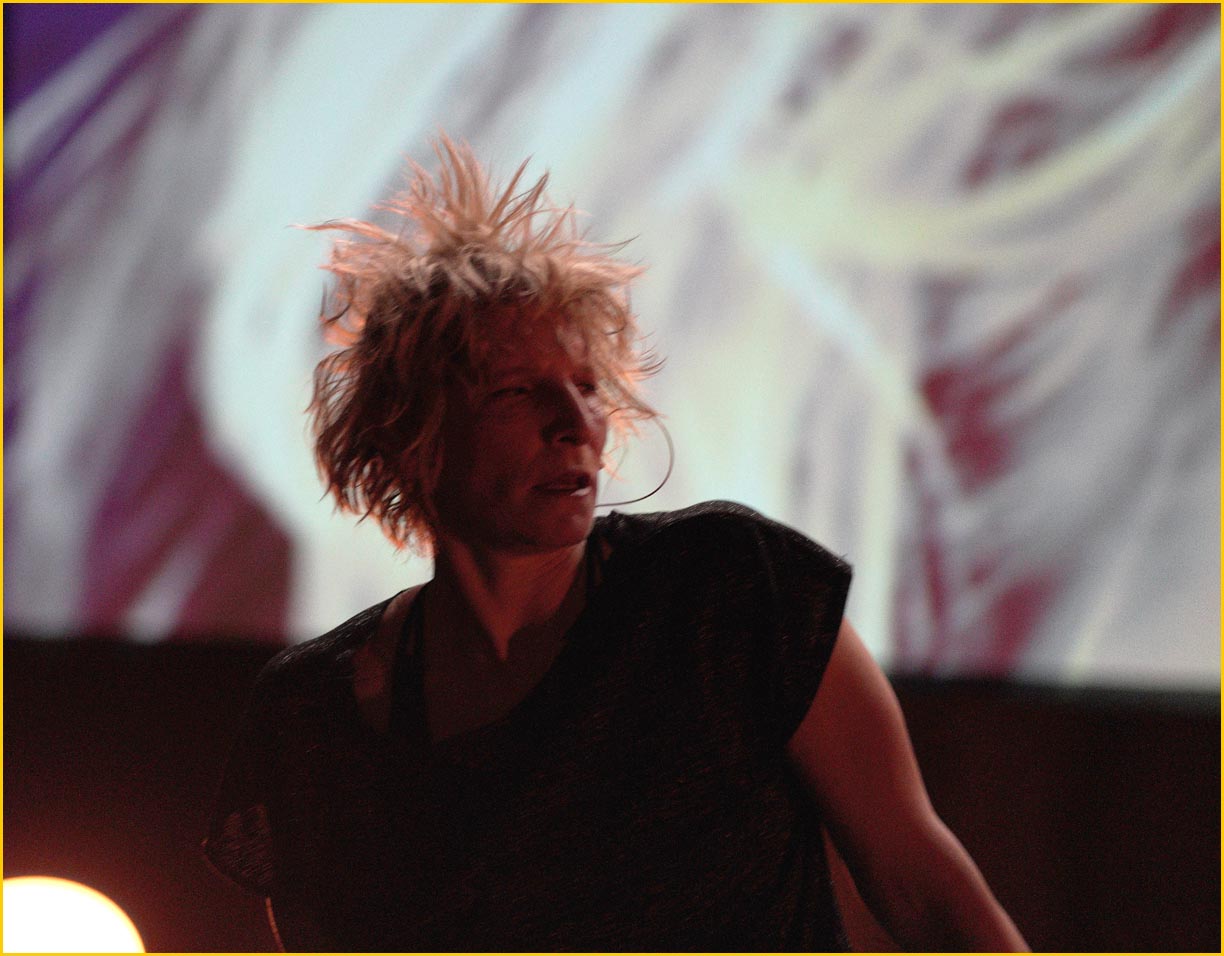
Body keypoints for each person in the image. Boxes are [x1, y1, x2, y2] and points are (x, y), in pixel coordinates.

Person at [205, 137, 1028, 952]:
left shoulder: (729, 588)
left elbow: (926, 895)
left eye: (588, 387)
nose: (576, 425)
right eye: (517, 392)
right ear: (409, 435)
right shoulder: (310, 713)